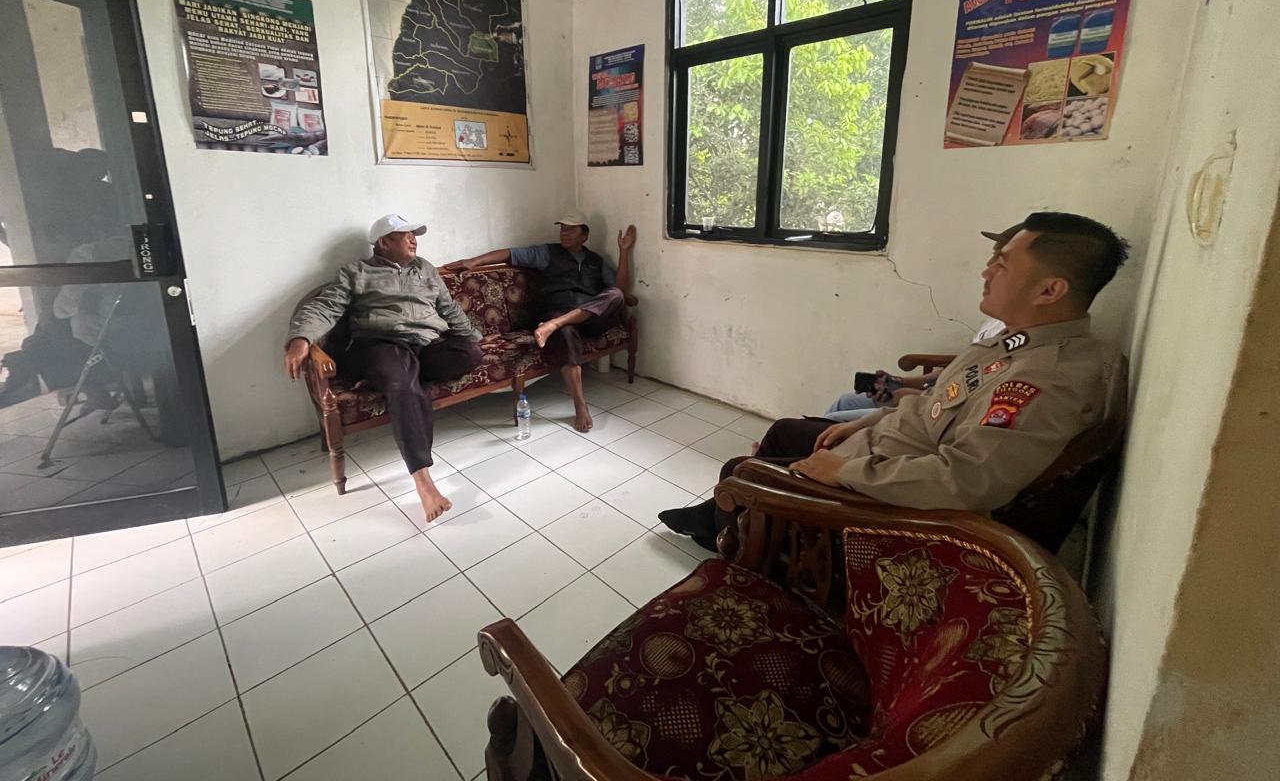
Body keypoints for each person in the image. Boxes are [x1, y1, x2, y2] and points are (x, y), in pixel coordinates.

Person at [660, 211, 1128, 551]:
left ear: (1050, 290)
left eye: (1002, 263)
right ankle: (728, 519)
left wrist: (842, 471)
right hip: (882, 445)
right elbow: (939, 403)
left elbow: (963, 482)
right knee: (785, 431)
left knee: (742, 470)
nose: (986, 271)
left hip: (886, 487)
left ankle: (739, 534)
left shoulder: (1044, 381)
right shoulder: (1014, 343)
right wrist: (868, 421)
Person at [284, 214, 482, 522]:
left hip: (426, 344)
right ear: (384, 242)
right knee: (403, 383)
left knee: (469, 354)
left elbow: (450, 308)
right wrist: (300, 338)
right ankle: (423, 481)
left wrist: (473, 338)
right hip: (382, 343)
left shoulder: (425, 269)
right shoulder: (356, 272)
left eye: (415, 234)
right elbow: (324, 307)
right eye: (406, 235)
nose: (414, 239)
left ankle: (392, 377)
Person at [445, 210, 636, 433]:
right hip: (556, 311)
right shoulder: (547, 253)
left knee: (615, 294)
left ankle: (555, 325)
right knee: (566, 332)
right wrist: (474, 261)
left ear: (584, 235)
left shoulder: (595, 260)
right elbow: (510, 254)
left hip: (588, 318)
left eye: (571, 229)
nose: (564, 233)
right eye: (562, 228)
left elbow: (620, 288)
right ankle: (580, 404)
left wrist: (624, 252)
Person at [819, 225, 1021, 421]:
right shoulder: (996, 321)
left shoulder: (1019, 344)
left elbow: (973, 403)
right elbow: (962, 370)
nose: (987, 269)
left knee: (829, 423)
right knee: (844, 403)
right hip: (934, 396)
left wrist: (912, 397)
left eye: (1001, 261)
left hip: (940, 412)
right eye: (993, 256)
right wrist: (901, 383)